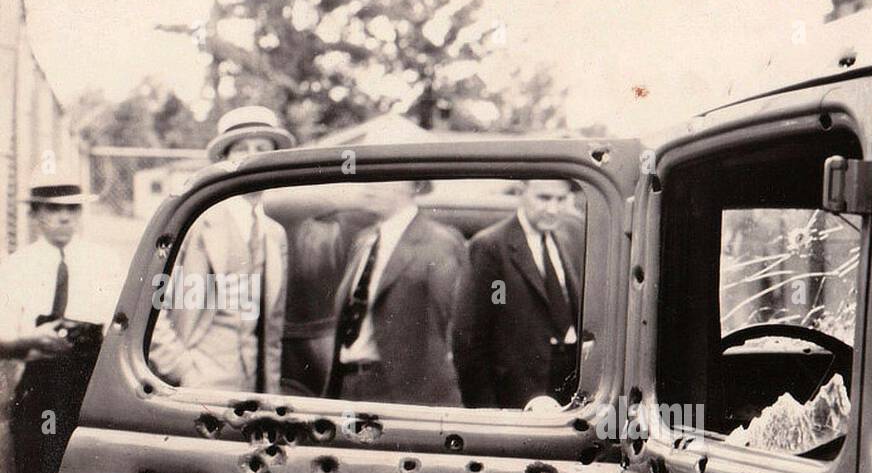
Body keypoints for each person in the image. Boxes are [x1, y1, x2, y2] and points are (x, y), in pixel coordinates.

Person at [0, 164, 124, 473]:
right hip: (36, 389)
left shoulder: (105, 263)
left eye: (72, 209)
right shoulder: (16, 267)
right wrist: (25, 339)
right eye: (53, 210)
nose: (64, 218)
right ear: (35, 213)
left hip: (90, 389)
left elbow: (121, 328)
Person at [149, 105, 293, 392]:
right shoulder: (195, 221)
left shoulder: (275, 234)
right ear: (225, 161)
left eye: (262, 148)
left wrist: (271, 390)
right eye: (242, 149)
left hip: (252, 386)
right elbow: (151, 304)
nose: (253, 157)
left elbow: (273, 330)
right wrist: (181, 369)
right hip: (200, 380)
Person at [322, 180, 468, 405]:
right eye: (369, 177)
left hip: (400, 395)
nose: (370, 186)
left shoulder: (439, 243)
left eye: (384, 179)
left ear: (414, 186)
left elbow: (450, 328)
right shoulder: (364, 240)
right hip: (348, 387)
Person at [452, 179, 585, 409]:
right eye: (543, 198)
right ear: (520, 193)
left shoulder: (567, 237)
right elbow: (471, 337)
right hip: (518, 390)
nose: (553, 209)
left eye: (561, 199)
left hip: (568, 383)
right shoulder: (492, 247)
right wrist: (486, 411)